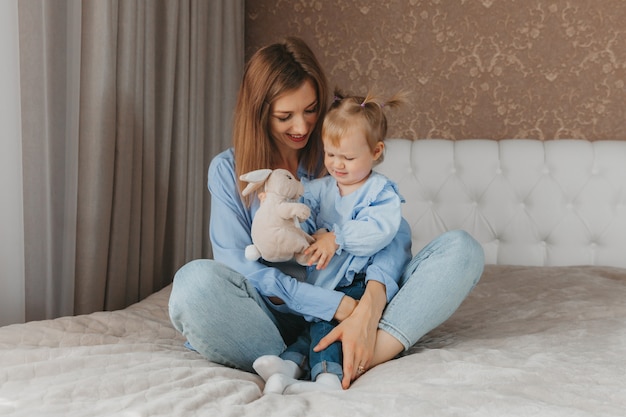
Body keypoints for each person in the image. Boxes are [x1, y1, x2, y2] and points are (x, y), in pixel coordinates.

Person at [168, 36, 485, 393]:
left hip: (360, 299)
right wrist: (334, 306)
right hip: (276, 318)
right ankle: (318, 354)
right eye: (285, 116)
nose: (302, 128)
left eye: (311, 110)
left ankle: (346, 352)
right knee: (193, 284)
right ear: (259, 114)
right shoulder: (229, 170)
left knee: (461, 250)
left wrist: (368, 305)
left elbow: (390, 232)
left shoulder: (338, 154)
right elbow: (240, 265)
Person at [253, 89, 409, 394]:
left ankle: (327, 378)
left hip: (357, 281)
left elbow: (381, 230)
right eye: (331, 155)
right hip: (324, 282)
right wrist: (289, 221)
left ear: (376, 152)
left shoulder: (380, 192)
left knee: (326, 323)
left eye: (348, 157)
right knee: (312, 327)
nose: (338, 164)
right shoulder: (320, 188)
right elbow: (306, 218)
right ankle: (289, 365)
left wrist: (337, 238)